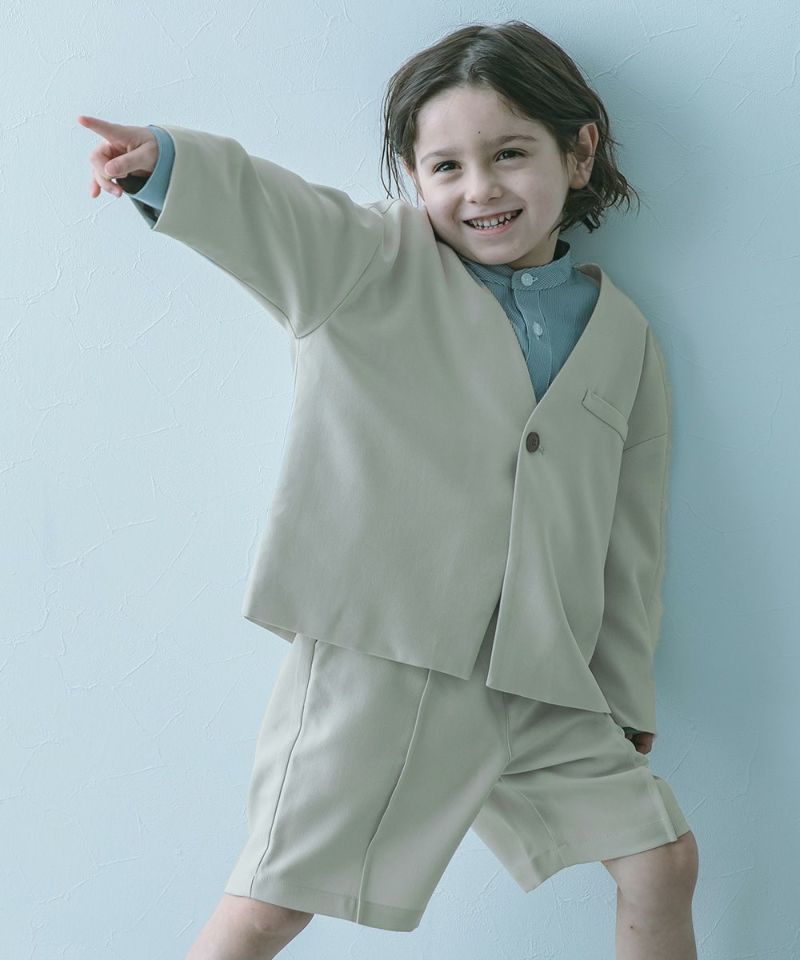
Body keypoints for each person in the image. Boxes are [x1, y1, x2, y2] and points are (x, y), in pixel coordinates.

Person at [79, 19, 699, 960]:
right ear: (414, 178)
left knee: (660, 860)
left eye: (510, 153)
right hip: (383, 657)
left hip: (545, 673)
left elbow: (630, 531)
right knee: (275, 902)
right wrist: (167, 164)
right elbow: (272, 213)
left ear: (579, 153)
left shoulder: (624, 336)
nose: (480, 188)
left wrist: (624, 691)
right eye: (446, 166)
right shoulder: (370, 264)